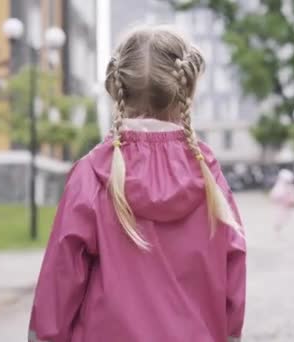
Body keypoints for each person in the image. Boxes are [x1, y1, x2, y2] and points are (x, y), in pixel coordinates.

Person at [28, 26, 246, 342]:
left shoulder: (93, 173)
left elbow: (60, 278)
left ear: (119, 90)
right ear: (186, 88)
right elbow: (233, 265)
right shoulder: (208, 174)